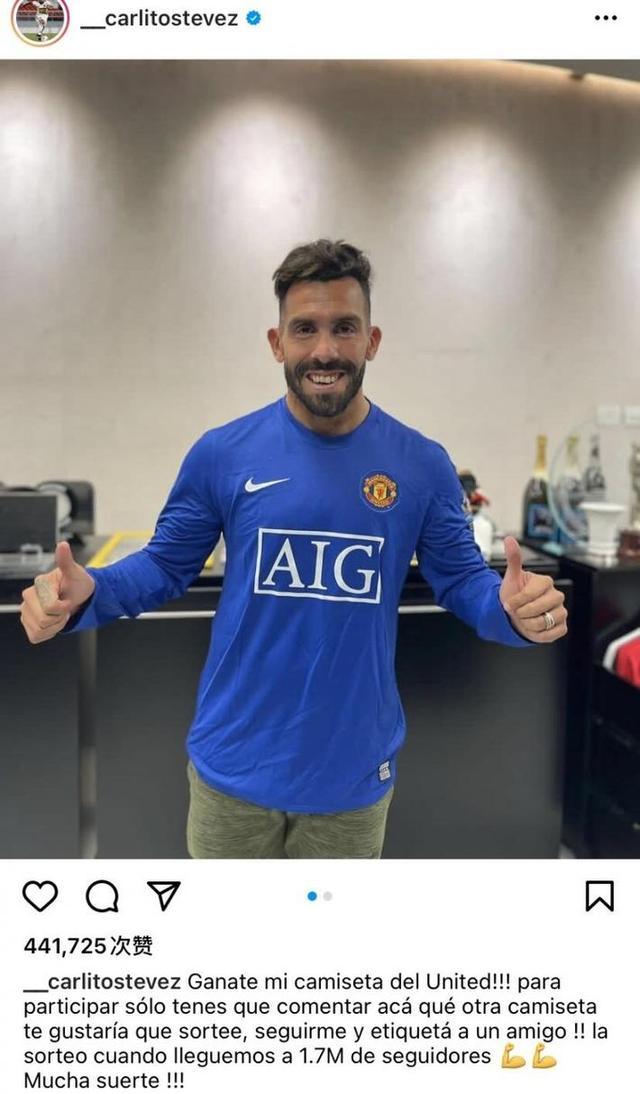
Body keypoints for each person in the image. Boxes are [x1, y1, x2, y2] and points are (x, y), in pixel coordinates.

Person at [20, 239, 568, 859]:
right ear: (277, 343)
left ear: (372, 341)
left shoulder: (421, 465)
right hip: (232, 767)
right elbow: (166, 565)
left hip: (352, 776)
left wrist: (512, 612)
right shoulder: (223, 454)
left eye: (345, 328)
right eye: (305, 328)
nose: (325, 350)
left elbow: (463, 581)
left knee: (327, 929)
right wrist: (91, 593)